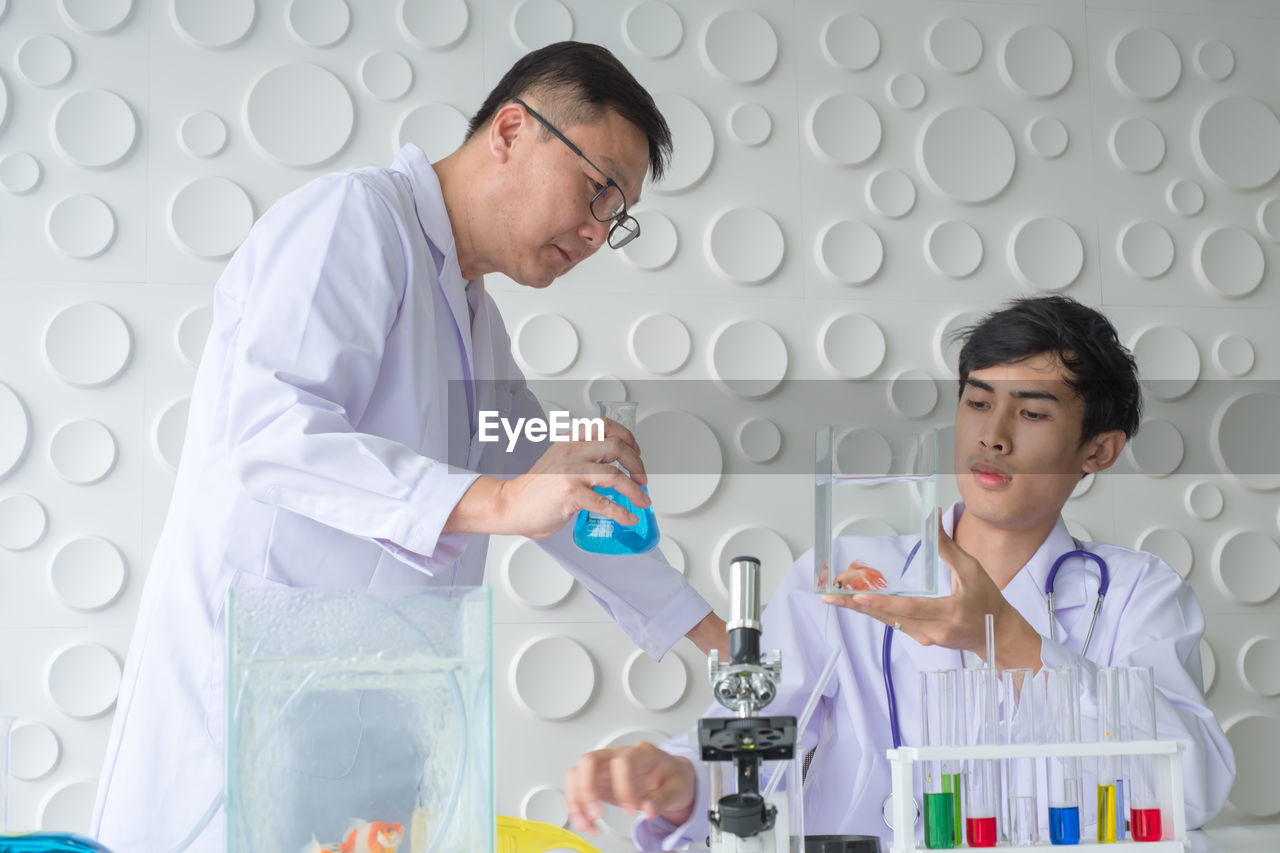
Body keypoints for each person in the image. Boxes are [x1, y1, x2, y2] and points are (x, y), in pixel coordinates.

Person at [91, 42, 726, 853]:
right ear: (509, 131)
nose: (598, 230)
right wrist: (499, 500)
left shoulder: (473, 320)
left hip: (363, 734)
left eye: (618, 213)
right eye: (597, 188)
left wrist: (715, 633)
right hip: (237, 718)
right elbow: (269, 429)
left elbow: (546, 488)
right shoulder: (352, 220)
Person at [564, 295, 1236, 846]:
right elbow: (751, 746)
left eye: (1031, 412)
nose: (992, 435)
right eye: (977, 403)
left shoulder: (1136, 597)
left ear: (1099, 449)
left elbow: (1194, 787)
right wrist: (678, 782)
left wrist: (1007, 638)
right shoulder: (850, 578)